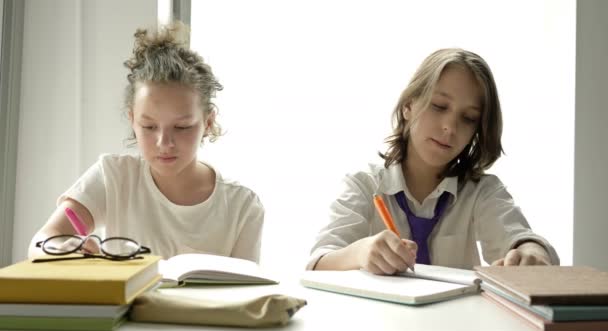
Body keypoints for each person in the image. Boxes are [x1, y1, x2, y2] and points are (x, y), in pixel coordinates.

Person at [307, 48, 559, 274]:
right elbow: (318, 263)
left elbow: (519, 238)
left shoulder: (482, 192)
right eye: (439, 106)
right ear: (408, 106)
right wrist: (361, 252)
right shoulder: (364, 184)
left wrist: (532, 251)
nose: (450, 126)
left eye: (469, 118)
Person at [28, 22, 264, 262]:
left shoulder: (242, 206)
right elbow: (42, 240)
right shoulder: (114, 177)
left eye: (182, 127)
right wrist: (69, 251)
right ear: (132, 119)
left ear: (208, 122)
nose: (164, 142)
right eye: (149, 126)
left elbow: (249, 292)